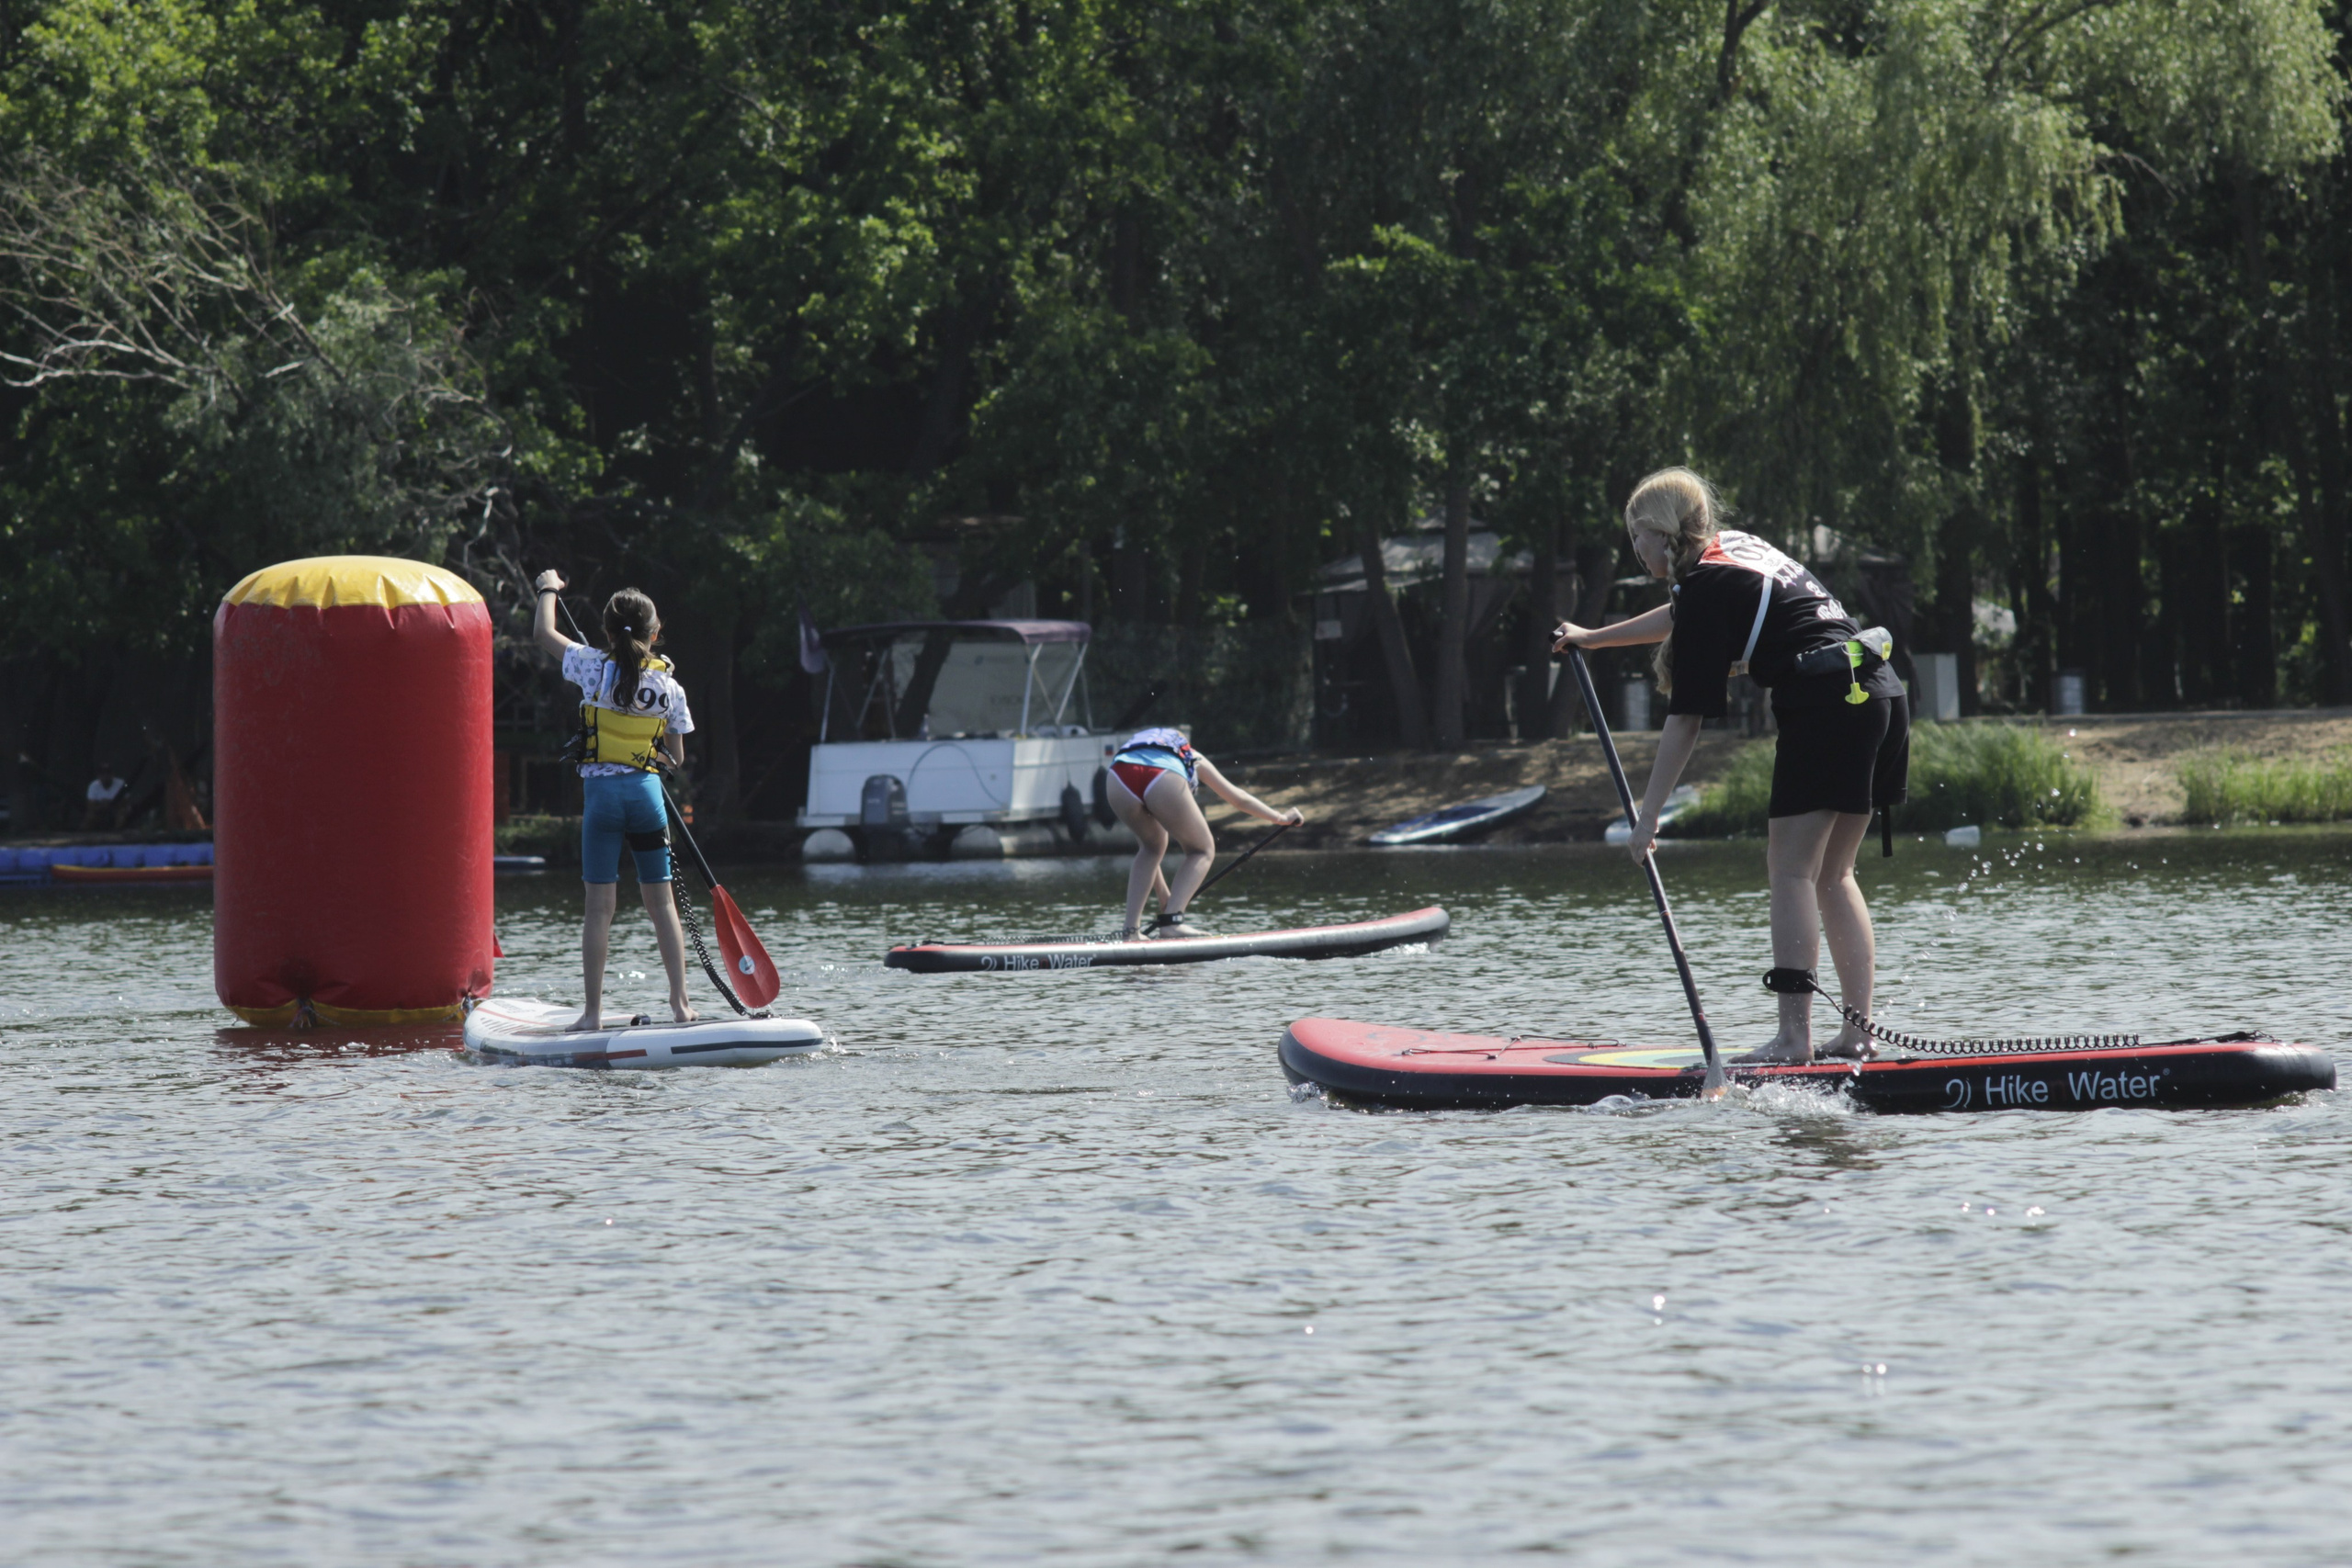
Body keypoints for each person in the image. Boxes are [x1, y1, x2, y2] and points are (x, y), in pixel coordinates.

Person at [1551, 468, 1908, 1064]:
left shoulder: (1706, 585)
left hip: (1826, 703)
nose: (1635, 548)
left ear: (1663, 533)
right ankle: (1857, 1036)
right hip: (1879, 692)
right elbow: (1680, 616)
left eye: (1637, 535)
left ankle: (1793, 1039)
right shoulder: (1732, 550)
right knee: (1833, 874)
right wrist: (1593, 637)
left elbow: (1685, 720)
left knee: (1792, 872)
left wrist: (1647, 817)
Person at [532, 570, 700, 1030]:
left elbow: (543, 634)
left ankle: (592, 1014)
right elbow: (676, 758)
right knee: (661, 906)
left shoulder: (591, 666)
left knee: (598, 910)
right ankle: (681, 1004)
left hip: (602, 802)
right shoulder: (670, 687)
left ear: (607, 632)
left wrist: (549, 588)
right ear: (655, 634)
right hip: (646, 798)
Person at [1104, 726, 1304, 940]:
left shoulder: (1144, 748)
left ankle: (1131, 931)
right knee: (1202, 849)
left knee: (1151, 847)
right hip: (1161, 777)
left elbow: (1151, 856)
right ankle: (1172, 922)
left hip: (1117, 777)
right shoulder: (1192, 756)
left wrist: (1165, 898)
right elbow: (1238, 799)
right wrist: (1280, 818)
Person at [83, 762, 128, 830]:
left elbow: (126, 802)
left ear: (112, 774)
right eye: (102, 773)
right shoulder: (93, 785)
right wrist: (102, 805)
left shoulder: (121, 783)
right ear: (98, 775)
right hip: (100, 811)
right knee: (89, 817)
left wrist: (111, 803)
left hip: (117, 810)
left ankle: (116, 834)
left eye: (108, 773)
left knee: (121, 816)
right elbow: (90, 806)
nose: (105, 776)